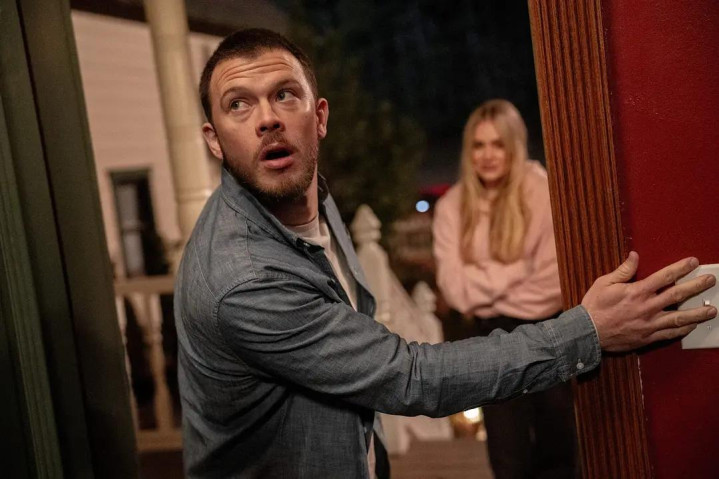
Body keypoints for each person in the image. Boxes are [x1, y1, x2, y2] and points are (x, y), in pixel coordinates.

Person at [174, 28, 716, 479]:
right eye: (238, 104)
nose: (267, 118)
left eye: (284, 95)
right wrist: (589, 331)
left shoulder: (309, 188)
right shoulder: (244, 280)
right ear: (214, 139)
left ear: (319, 118)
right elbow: (410, 377)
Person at [432, 99, 575, 478]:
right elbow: (454, 289)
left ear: (514, 145)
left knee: (560, 450)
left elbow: (553, 284)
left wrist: (483, 281)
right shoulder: (451, 206)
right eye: (479, 145)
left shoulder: (540, 190)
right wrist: (519, 269)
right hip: (488, 339)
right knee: (507, 455)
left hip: (549, 332)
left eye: (498, 144)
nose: (488, 155)